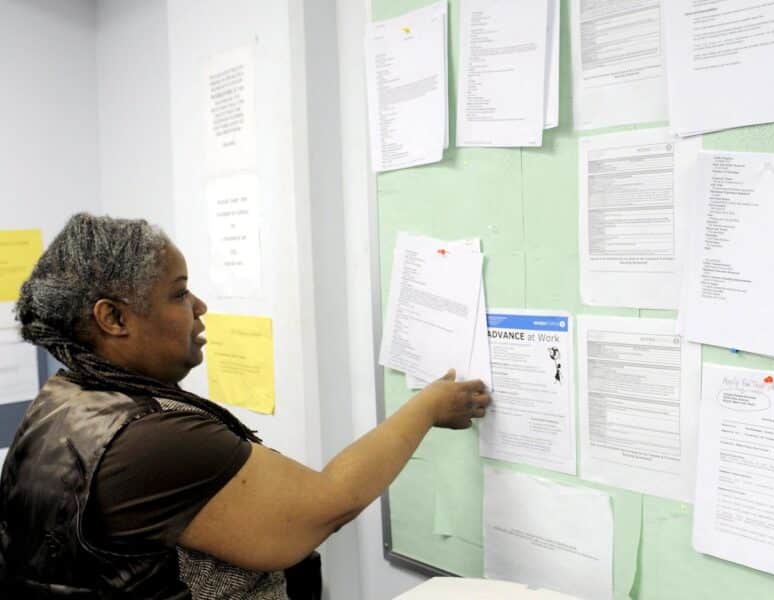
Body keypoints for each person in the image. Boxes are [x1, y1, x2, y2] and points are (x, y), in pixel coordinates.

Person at [0, 213, 491, 599]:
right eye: (178, 293)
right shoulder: (150, 439)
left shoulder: (61, 399)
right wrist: (426, 407)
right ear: (113, 318)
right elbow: (326, 504)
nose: (199, 306)